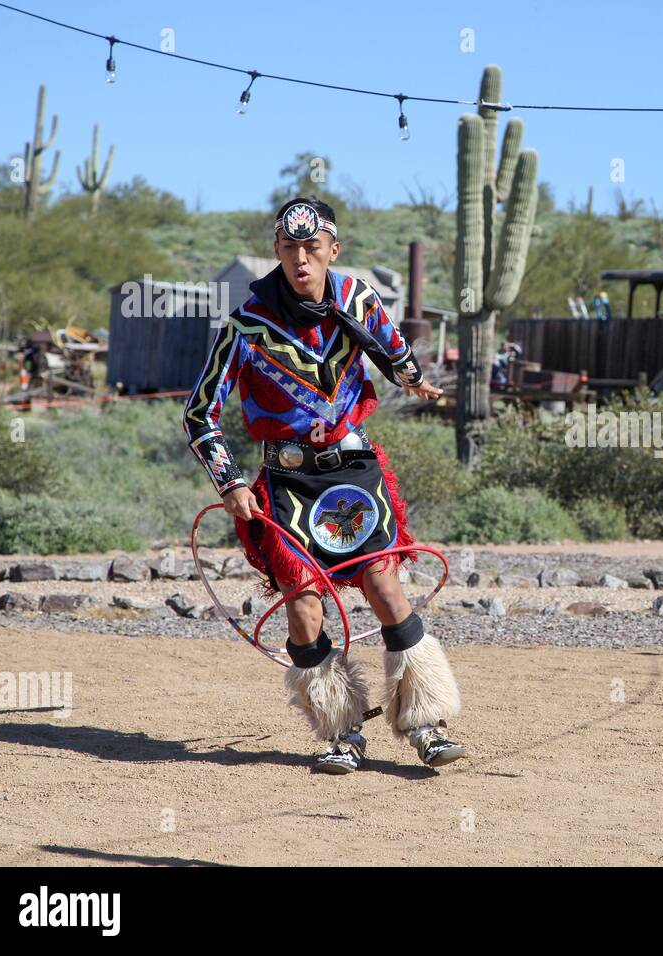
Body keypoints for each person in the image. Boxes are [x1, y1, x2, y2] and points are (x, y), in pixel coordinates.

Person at [182, 196, 466, 774]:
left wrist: (413, 378)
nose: (302, 259)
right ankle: (341, 731)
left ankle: (426, 722)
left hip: (354, 474)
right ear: (278, 254)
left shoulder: (358, 300)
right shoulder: (246, 325)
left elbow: (392, 350)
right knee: (304, 608)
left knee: (386, 592)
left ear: (334, 250)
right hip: (286, 481)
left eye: (313, 248)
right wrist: (229, 481)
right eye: (290, 249)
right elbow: (198, 413)